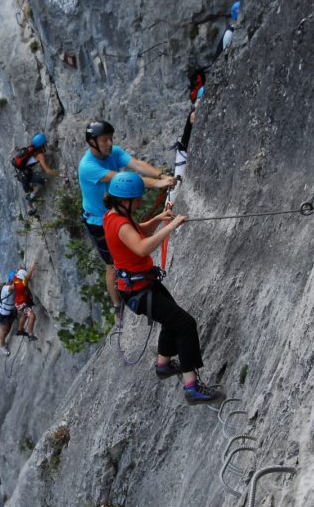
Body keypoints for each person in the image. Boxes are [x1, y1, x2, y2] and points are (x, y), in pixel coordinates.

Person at [102, 172, 225, 405]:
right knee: (184, 324)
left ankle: (164, 365)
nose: (139, 202)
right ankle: (192, 387)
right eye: (137, 198)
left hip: (141, 285)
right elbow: (141, 247)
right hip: (139, 291)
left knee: (173, 320)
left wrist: (160, 218)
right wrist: (172, 226)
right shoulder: (119, 222)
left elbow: (139, 231)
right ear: (125, 200)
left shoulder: (114, 215)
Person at [79, 120, 177, 309]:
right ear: (92, 143)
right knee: (112, 264)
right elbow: (125, 179)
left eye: (110, 139)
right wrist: (158, 183)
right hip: (98, 220)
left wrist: (161, 176)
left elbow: (137, 164)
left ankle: (130, 286)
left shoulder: (112, 151)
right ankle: (117, 304)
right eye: (105, 140)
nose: (110, 143)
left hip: (117, 213)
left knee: (127, 249)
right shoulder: (87, 166)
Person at [14, 133, 60, 215]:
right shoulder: (40, 155)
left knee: (29, 186)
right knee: (41, 182)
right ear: (42, 144)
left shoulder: (30, 148)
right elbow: (47, 170)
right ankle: (29, 200)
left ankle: (29, 206)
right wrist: (59, 173)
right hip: (26, 175)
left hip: (22, 174)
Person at [13, 263, 38, 340]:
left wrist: (20, 269)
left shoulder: (15, 279)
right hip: (22, 303)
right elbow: (27, 278)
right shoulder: (21, 285)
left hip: (18, 303)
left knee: (24, 315)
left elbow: (20, 273)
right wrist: (32, 268)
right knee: (32, 316)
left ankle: (20, 330)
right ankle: (30, 334)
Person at [0, 271, 17, 355]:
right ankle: (2, 345)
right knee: (5, 330)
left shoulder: (12, 287)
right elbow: (12, 288)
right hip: (2, 313)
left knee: (8, 328)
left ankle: (2, 342)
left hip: (8, 312)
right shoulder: (6, 288)